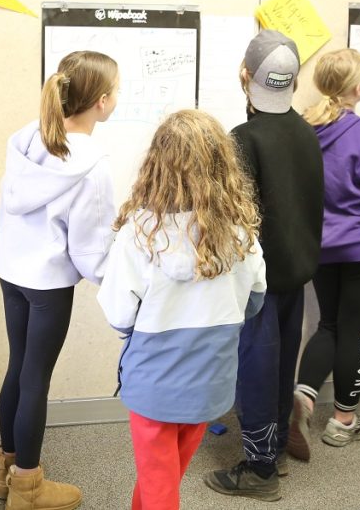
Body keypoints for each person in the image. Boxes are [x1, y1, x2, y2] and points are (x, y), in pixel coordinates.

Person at [98, 109, 267, 510]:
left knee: (160, 485)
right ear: (222, 165)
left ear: (156, 166)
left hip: (154, 385)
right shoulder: (241, 235)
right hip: (210, 383)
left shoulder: (139, 234)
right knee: (165, 476)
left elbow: (119, 314)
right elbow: (255, 300)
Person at [0, 50, 119, 510]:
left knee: (19, 367)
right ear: (102, 102)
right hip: (48, 285)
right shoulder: (92, 165)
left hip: (12, 272)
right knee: (36, 379)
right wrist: (122, 278)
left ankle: (6, 468)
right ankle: (27, 486)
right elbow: (90, 252)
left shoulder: (28, 139)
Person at [205, 30, 323, 502]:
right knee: (279, 365)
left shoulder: (242, 138)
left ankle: (258, 470)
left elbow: (235, 218)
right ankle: (271, 452)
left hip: (259, 281)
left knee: (256, 364)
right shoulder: (307, 133)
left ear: (245, 77)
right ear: (292, 83)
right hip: (296, 273)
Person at [286, 49, 360, 462]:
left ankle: (302, 399)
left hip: (320, 247)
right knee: (357, 330)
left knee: (329, 325)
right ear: (359, 87)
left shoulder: (301, 134)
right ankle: (343, 423)